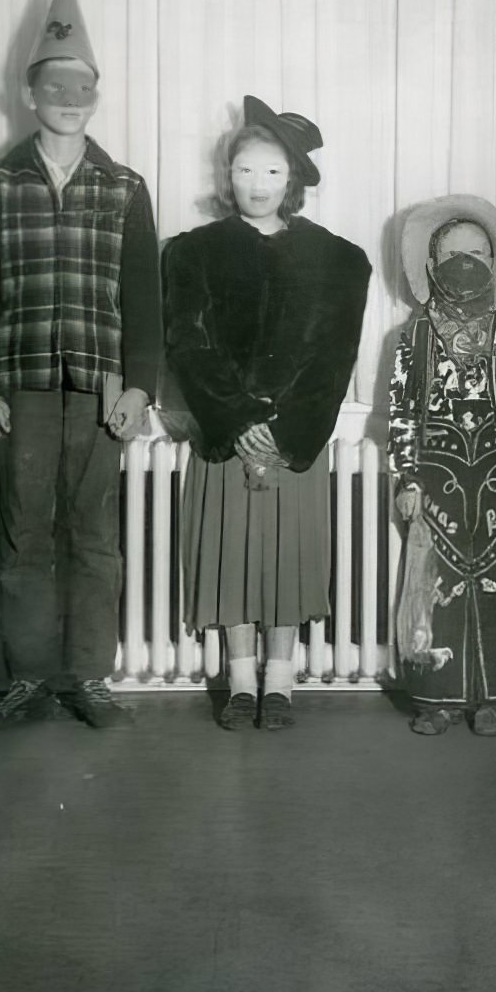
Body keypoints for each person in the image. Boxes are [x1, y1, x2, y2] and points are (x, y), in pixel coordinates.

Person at [0, 0, 162, 731]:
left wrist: (141, 385)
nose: (69, 104)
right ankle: (29, 680)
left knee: (95, 537)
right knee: (22, 537)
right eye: (55, 90)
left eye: (83, 92)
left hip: (102, 388)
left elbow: (145, 301)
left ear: (96, 98)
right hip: (22, 385)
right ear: (29, 95)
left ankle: (88, 678)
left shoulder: (126, 188)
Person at [162, 95, 371, 730]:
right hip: (226, 438)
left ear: (295, 181)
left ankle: (281, 685)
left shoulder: (340, 261)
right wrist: (237, 419)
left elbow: (334, 359)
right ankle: (242, 683)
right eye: (246, 170)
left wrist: (286, 431)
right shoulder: (192, 252)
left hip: (294, 441)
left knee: (286, 561)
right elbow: (188, 344)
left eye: (273, 172)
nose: (258, 185)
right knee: (233, 559)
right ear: (228, 175)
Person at [388, 196, 496, 736]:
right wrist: (407, 477)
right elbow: (401, 411)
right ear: (430, 266)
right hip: (437, 477)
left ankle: (494, 697)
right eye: (454, 253)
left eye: (477, 253)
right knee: (435, 582)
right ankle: (437, 698)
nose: (466, 262)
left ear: (494, 264)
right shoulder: (413, 336)